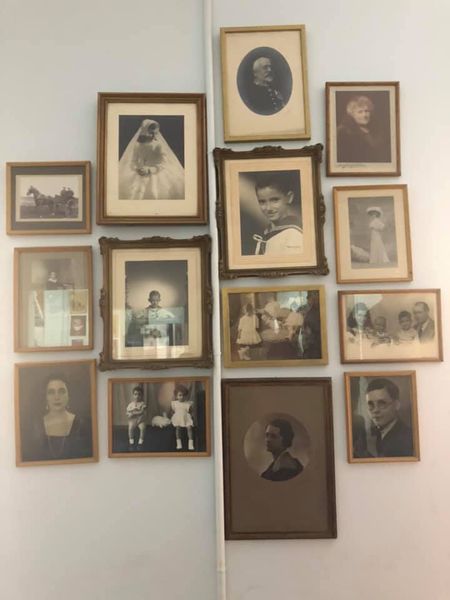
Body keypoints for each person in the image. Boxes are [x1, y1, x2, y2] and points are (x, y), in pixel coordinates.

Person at [22, 375, 92, 462]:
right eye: (51, 392)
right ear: (45, 397)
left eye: (61, 391)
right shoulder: (36, 425)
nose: (57, 397)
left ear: (68, 395)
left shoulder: (82, 424)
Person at [118, 118, 184, 200]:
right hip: (140, 172)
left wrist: (150, 169)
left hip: (156, 172)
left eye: (154, 133)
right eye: (150, 132)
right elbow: (133, 161)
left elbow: (164, 162)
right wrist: (137, 169)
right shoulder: (137, 145)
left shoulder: (158, 145)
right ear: (144, 131)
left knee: (154, 191)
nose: (152, 135)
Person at [251, 172, 303, 256]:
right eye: (262, 202)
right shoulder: (267, 233)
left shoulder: (294, 235)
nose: (268, 208)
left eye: (275, 200)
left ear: (289, 198)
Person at [362, 378, 413, 458]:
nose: (375, 410)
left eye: (382, 403)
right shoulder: (366, 436)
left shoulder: (409, 438)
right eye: (371, 405)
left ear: (396, 405)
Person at [336, 95, 390, 163]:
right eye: (360, 112)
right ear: (352, 114)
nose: (364, 115)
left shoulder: (376, 130)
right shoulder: (344, 132)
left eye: (366, 111)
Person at [171, 384, 194, 450]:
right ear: (176, 396)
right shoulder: (174, 403)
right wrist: (173, 417)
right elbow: (172, 411)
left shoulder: (188, 403)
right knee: (178, 428)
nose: (182, 397)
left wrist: (191, 417)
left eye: (184, 395)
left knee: (189, 428)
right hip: (178, 418)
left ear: (186, 396)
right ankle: (179, 444)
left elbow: (191, 412)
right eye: (180, 395)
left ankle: (190, 444)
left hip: (186, 418)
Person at [302, 290, 322, 359]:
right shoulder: (308, 310)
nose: (312, 300)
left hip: (317, 342)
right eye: (310, 298)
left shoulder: (320, 310)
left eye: (315, 297)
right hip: (311, 343)